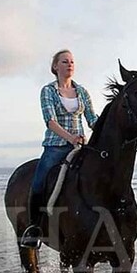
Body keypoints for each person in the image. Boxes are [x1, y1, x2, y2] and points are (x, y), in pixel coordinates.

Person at [21, 49, 99, 247]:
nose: (70, 64)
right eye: (64, 61)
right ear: (55, 67)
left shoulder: (81, 91)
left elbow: (91, 118)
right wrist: (70, 137)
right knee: (39, 182)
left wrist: (108, 129)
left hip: (81, 146)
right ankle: (34, 228)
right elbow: (51, 122)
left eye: (72, 61)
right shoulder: (48, 91)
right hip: (56, 146)